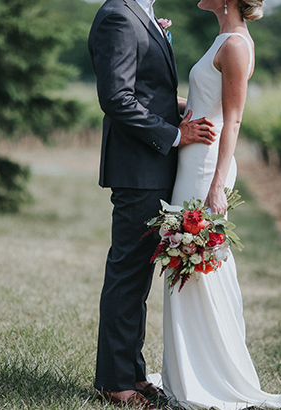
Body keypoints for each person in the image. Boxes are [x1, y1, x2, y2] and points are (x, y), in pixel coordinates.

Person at [161, 0, 281, 408]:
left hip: (206, 168)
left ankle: (211, 375)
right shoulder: (222, 39)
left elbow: (233, 119)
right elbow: (207, 104)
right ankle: (187, 370)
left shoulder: (235, 45)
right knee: (185, 263)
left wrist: (217, 184)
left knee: (198, 262)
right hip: (192, 160)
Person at [87, 0, 216, 408]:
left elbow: (150, 91)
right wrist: (175, 135)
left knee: (138, 278)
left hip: (149, 168)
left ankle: (133, 373)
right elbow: (117, 97)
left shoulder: (140, 14)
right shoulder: (118, 16)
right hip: (138, 169)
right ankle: (114, 382)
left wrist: (200, 108)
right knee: (127, 276)